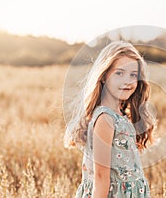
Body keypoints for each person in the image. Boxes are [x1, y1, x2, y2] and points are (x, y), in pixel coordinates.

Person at [64, 41, 155, 197]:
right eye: (119, 73)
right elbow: (100, 177)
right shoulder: (105, 119)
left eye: (133, 74)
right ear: (104, 76)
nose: (128, 81)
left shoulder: (121, 116)